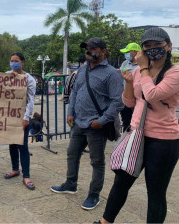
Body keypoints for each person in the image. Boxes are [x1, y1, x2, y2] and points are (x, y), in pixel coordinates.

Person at [100, 27, 179, 223]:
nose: (152, 50)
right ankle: (104, 221)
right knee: (121, 182)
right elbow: (129, 103)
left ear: (168, 47)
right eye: (147, 46)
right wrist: (128, 82)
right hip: (136, 134)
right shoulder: (138, 72)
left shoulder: (174, 73)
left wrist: (143, 68)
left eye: (157, 45)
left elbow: (152, 94)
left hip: (163, 140)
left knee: (156, 192)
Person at [50, 38, 124, 210]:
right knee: (72, 153)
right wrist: (70, 112)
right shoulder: (82, 70)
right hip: (78, 122)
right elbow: (75, 92)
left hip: (96, 125)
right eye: (87, 49)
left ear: (103, 51)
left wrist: (102, 121)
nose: (89, 51)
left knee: (97, 161)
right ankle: (70, 184)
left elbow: (117, 102)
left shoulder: (112, 73)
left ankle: (94, 194)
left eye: (93, 49)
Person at [4, 52, 36, 190]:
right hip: (9, 116)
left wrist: (26, 118)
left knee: (23, 146)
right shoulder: (6, 75)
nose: (13, 63)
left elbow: (31, 99)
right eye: (11, 60)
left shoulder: (29, 79)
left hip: (22, 117)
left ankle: (26, 176)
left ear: (22, 62)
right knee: (12, 144)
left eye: (16, 61)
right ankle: (15, 169)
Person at [119, 43, 141, 131]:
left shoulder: (143, 64)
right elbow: (121, 73)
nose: (126, 54)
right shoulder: (125, 63)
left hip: (138, 99)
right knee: (126, 122)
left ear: (135, 52)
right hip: (126, 97)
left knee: (138, 123)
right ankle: (126, 141)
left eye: (128, 52)